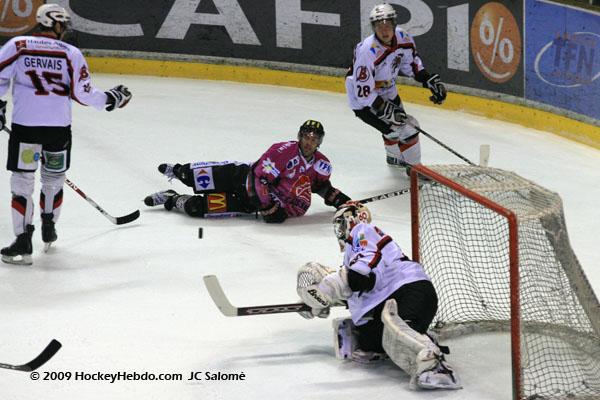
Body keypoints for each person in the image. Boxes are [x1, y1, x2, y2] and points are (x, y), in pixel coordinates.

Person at [0, 4, 132, 265]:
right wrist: (111, 99)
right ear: (55, 23)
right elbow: (83, 93)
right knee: (53, 179)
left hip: (26, 128)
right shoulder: (70, 53)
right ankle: (49, 225)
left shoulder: (18, 45)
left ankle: (23, 240)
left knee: (23, 181)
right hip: (58, 130)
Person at [296, 202, 461, 390]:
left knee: (396, 331)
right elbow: (362, 285)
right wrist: (319, 300)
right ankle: (415, 336)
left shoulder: (362, 231)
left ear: (352, 219)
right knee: (369, 342)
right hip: (392, 299)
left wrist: (329, 287)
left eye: (340, 224)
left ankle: (436, 366)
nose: (338, 232)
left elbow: (363, 278)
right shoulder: (354, 253)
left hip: (409, 291)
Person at [144, 120, 351, 223]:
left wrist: (340, 200)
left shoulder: (322, 164)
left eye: (314, 139)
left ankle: (171, 199)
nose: (309, 142)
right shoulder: (282, 151)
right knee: (194, 177)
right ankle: (178, 171)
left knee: (196, 208)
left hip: (249, 204)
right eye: (306, 137)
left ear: (319, 142)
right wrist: (268, 206)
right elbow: (259, 177)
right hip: (242, 177)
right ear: (300, 136)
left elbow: (320, 186)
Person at [345, 3, 447, 171]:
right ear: (373, 27)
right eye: (379, 26)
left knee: (394, 130)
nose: (384, 30)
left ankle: (393, 156)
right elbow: (363, 94)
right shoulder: (367, 51)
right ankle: (416, 171)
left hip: (388, 90)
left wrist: (429, 80)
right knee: (408, 129)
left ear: (394, 23)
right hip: (364, 101)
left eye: (387, 25)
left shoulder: (403, 38)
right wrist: (385, 109)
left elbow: (411, 65)